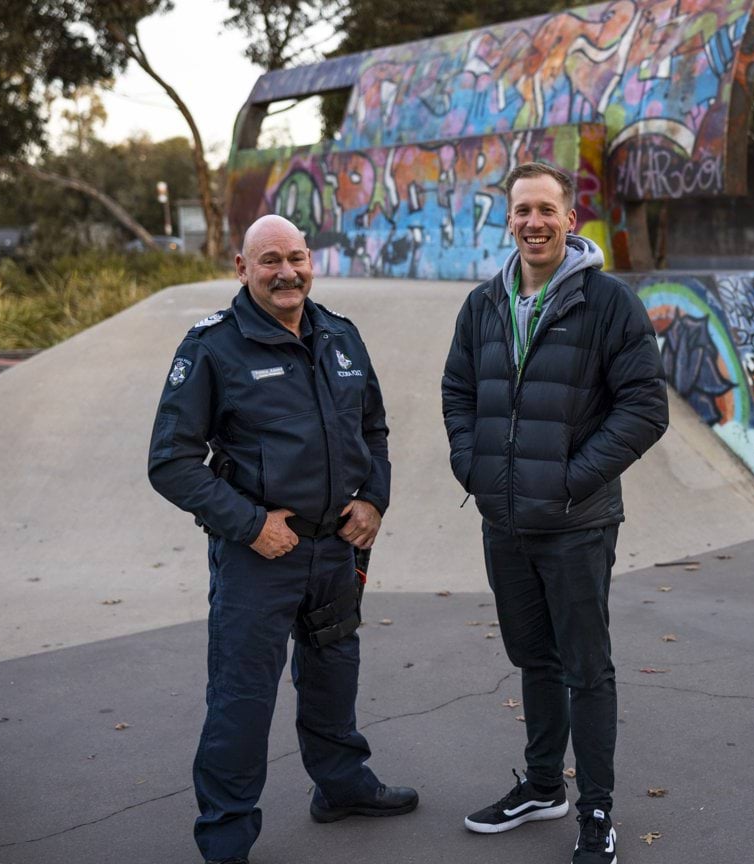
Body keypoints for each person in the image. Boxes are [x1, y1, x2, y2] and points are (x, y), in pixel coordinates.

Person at [148, 214, 417, 864]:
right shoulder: (212, 347)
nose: (286, 271)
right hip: (258, 558)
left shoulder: (341, 336)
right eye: (269, 260)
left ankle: (342, 786)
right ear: (241, 268)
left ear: (311, 262)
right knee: (243, 696)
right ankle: (226, 839)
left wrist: (373, 498)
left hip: (336, 551)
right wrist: (250, 524)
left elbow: (373, 430)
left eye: (295, 257)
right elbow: (171, 461)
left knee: (332, 673)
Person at [441, 163, 668, 864]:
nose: (533, 222)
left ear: (572, 220)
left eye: (546, 209)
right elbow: (457, 392)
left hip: (576, 522)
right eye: (521, 210)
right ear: (508, 220)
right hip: (505, 521)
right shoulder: (483, 304)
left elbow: (644, 409)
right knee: (532, 659)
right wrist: (474, 467)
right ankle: (543, 786)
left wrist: (571, 481)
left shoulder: (607, 303)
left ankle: (596, 809)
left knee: (585, 668)